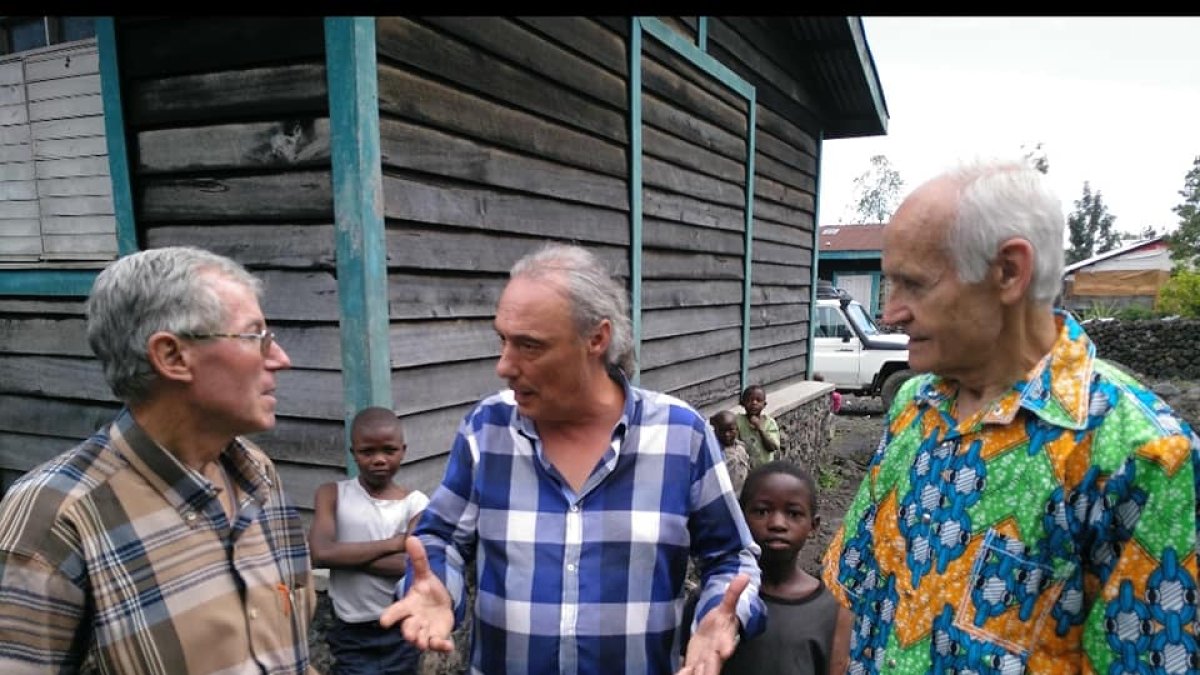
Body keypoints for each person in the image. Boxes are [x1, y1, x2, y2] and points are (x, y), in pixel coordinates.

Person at [821, 159, 1200, 673]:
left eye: (913, 284)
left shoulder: (1142, 455)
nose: (890, 312)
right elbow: (853, 592)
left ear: (1008, 271)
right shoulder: (914, 407)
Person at [379, 242, 766, 674]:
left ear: (596, 339)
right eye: (502, 340)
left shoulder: (681, 435)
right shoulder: (487, 429)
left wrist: (721, 614)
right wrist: (433, 584)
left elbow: (731, 557)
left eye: (529, 346)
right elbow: (441, 540)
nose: (504, 366)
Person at [0, 246, 316, 673]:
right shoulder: (55, 520)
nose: (279, 358)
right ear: (172, 356)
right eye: (254, 336)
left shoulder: (258, 476)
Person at [682, 461, 850, 675]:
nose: (777, 523)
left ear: (813, 526)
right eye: (762, 511)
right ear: (740, 519)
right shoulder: (714, 602)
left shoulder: (830, 609)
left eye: (794, 513)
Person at [308, 407, 429, 674]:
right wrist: (394, 543)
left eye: (389, 450)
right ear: (353, 453)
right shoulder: (332, 494)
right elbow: (320, 554)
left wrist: (344, 557)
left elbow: (410, 566)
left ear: (403, 450)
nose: (379, 459)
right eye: (367, 452)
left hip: (402, 627)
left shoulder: (416, 503)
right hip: (351, 631)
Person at [735, 384, 781, 466]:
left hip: (765, 470)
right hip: (745, 470)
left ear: (764, 404)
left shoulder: (769, 423)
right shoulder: (738, 421)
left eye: (758, 400)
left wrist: (760, 428)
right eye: (749, 400)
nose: (754, 403)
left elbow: (772, 448)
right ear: (742, 403)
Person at [709, 410, 751, 495]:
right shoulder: (713, 452)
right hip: (725, 497)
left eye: (731, 430)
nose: (727, 434)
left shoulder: (740, 447)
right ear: (715, 430)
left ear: (737, 429)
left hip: (741, 494)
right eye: (722, 430)